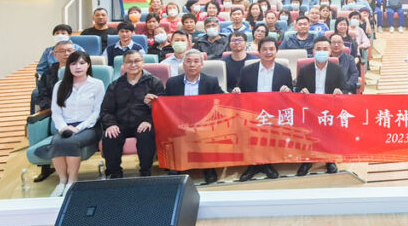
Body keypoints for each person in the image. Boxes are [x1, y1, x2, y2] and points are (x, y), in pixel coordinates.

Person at [35, 51, 105, 197]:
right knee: (57, 141)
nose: (77, 67)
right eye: (73, 63)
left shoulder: (97, 84)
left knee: (70, 141)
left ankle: (72, 181)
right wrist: (63, 127)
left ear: (88, 65)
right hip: (65, 126)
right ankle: (62, 181)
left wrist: (78, 128)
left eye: (82, 63)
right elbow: (56, 112)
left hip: (89, 126)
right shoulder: (60, 85)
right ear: (68, 67)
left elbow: (97, 112)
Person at [231, 36, 292, 181]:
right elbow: (240, 89)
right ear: (259, 52)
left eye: (271, 49)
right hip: (252, 111)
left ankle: (267, 163)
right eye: (264, 49)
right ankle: (253, 165)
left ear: (276, 51)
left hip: (273, 112)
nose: (268, 52)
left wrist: (288, 90)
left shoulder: (284, 71)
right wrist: (237, 91)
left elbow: (290, 94)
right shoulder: (247, 70)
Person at [99, 50, 164, 178]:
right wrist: (111, 124)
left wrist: (149, 121)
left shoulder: (154, 82)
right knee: (110, 136)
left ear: (143, 62)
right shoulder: (115, 85)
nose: (133, 65)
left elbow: (161, 108)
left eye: (137, 61)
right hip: (120, 123)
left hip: (143, 122)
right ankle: (114, 173)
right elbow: (106, 110)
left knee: (146, 134)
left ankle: (145, 171)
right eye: (129, 62)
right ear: (123, 65)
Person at [164, 49, 225, 184]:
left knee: (208, 131)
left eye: (196, 61)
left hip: (204, 121)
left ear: (201, 65)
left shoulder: (211, 81)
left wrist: (235, 94)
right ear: (183, 64)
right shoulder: (172, 83)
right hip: (180, 121)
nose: (192, 65)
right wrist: (154, 100)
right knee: (172, 131)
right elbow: (165, 102)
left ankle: (209, 168)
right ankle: (176, 167)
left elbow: (222, 98)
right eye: (189, 61)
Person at [294, 37, 345, 176]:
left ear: (330, 52)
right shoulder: (305, 70)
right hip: (310, 108)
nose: (321, 52)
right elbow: (297, 88)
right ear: (313, 51)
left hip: (330, 108)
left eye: (325, 49)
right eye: (318, 49)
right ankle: (307, 160)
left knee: (329, 130)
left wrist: (340, 92)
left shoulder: (337, 69)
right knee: (307, 130)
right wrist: (301, 91)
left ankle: (329, 160)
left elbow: (345, 88)